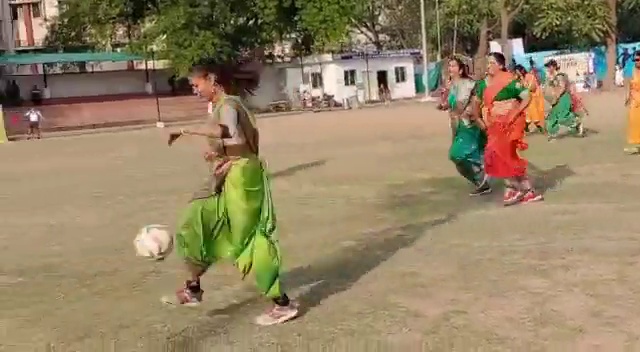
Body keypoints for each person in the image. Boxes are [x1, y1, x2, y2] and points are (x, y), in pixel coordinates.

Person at [163, 60, 299, 326]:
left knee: (248, 241)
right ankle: (193, 288)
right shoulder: (224, 106)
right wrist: (216, 153)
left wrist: (183, 129)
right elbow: (234, 141)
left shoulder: (229, 105)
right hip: (228, 172)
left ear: (212, 80)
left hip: (243, 178)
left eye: (196, 84)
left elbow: (224, 130)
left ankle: (282, 304)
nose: (194, 90)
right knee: (197, 221)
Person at [473, 52, 543, 206]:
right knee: (502, 157)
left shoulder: (509, 81)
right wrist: (480, 120)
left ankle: (518, 189)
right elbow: (476, 104)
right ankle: (525, 190)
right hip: (494, 125)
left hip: (509, 125)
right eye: (488, 63)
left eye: (492, 63)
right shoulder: (484, 84)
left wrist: (514, 113)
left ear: (501, 65)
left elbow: (527, 96)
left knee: (501, 156)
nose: (488, 66)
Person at [446, 57, 491, 196]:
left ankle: (485, 170)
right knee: (457, 159)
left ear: (460, 70)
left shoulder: (466, 84)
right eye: (449, 66)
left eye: (453, 66)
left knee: (456, 154)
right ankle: (481, 183)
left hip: (469, 125)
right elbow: (452, 106)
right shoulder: (453, 85)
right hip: (458, 126)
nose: (450, 69)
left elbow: (460, 106)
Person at [543, 60, 584, 139]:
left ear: (554, 67)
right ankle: (553, 133)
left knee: (562, 117)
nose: (547, 69)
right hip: (556, 99)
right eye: (547, 67)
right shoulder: (551, 77)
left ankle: (577, 122)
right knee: (552, 117)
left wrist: (556, 97)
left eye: (549, 67)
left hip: (563, 98)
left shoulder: (560, 76)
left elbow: (562, 87)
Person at [514, 65, 545, 134]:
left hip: (534, 98)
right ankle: (536, 128)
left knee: (534, 114)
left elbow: (533, 88)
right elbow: (517, 89)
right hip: (527, 99)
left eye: (518, 72)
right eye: (516, 72)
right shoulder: (519, 80)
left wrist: (524, 88)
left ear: (522, 70)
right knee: (529, 115)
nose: (517, 73)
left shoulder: (529, 76)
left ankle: (539, 128)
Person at [625, 51, 640, 154]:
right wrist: (627, 97)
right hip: (635, 101)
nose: (636, 62)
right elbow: (629, 84)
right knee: (635, 123)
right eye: (635, 60)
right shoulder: (633, 70)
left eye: (638, 60)